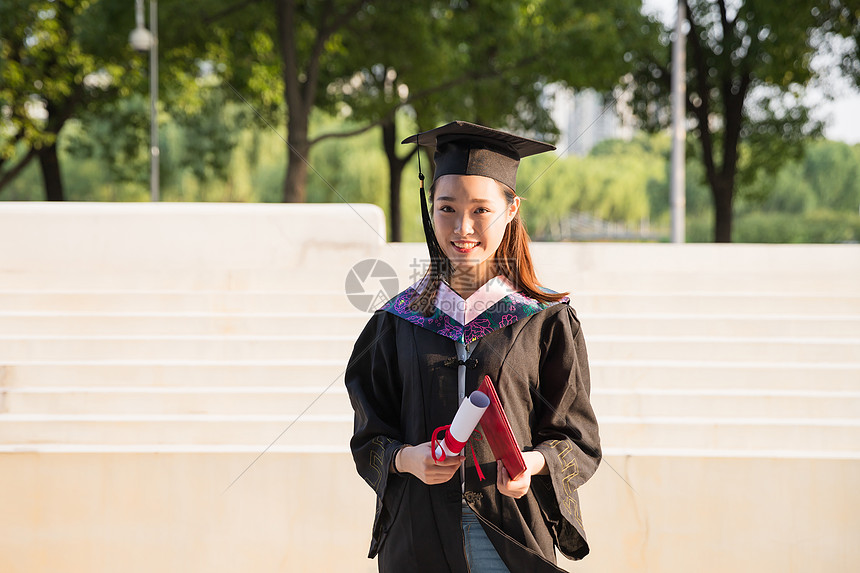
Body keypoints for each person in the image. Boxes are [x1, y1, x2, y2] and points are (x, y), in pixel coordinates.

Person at [345, 121, 601, 573]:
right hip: (417, 537)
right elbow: (370, 436)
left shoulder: (544, 321)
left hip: (509, 534)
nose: (462, 227)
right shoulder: (396, 322)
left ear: (511, 209)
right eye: (447, 208)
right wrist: (409, 459)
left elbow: (575, 439)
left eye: (481, 210)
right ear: (431, 208)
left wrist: (531, 466)